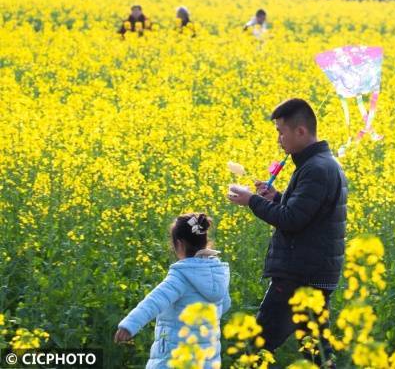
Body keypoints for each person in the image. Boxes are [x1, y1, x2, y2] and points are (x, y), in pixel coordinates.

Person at [227, 99, 347, 367]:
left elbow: (292, 220)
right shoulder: (323, 164)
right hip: (314, 272)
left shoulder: (316, 168)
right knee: (316, 351)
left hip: (298, 276)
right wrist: (276, 198)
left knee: (258, 346)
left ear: (301, 131)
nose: (279, 140)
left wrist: (252, 201)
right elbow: (308, 214)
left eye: (282, 132)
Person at [115, 213, 231, 369]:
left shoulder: (181, 275)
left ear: (179, 244)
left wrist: (129, 325)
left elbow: (154, 301)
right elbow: (225, 305)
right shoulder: (218, 274)